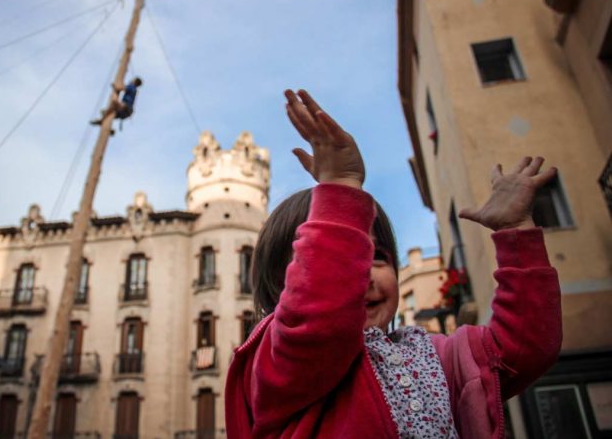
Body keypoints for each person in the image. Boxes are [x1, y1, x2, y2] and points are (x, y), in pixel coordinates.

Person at [224, 89, 562, 438]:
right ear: (280, 287)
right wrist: (341, 189)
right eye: (346, 256)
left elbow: (524, 347)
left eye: (379, 257)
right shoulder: (280, 362)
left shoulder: (439, 356)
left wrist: (515, 233)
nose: (363, 274)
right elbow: (320, 318)